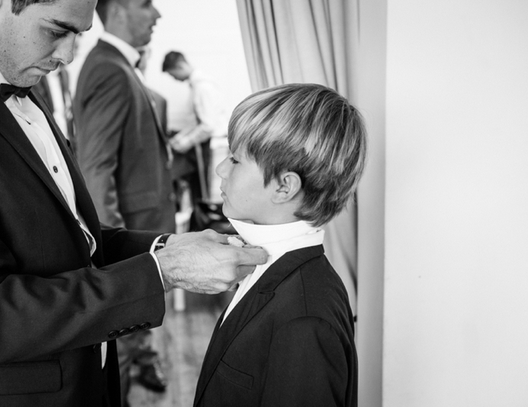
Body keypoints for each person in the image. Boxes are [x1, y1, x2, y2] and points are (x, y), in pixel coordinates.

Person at [0, 1, 268, 406]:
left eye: (78, 36)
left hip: (87, 378)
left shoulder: (22, 80)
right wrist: (163, 274)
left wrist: (165, 248)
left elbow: (65, 236)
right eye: (56, 31)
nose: (68, 56)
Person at [193, 83, 367, 407]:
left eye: (234, 159)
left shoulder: (304, 322)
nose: (220, 169)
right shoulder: (270, 268)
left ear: (284, 186)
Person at [72, 0, 173, 402]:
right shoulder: (107, 69)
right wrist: (122, 272)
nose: (157, 14)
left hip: (140, 235)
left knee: (131, 350)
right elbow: (97, 172)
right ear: (115, 10)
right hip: (127, 250)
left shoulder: (120, 65)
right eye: (146, 3)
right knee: (120, 359)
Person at [162, 50, 227, 205]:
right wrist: (180, 138)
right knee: (202, 192)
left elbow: (207, 126)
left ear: (180, 66)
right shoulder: (197, 86)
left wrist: (185, 143)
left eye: (173, 75)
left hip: (210, 144)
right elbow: (196, 122)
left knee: (207, 194)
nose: (175, 79)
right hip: (205, 144)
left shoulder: (203, 87)